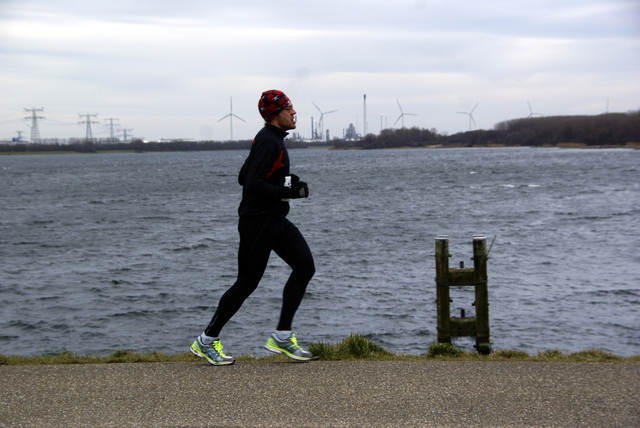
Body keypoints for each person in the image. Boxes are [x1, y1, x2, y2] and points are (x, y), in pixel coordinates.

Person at [190, 90, 315, 365]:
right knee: (246, 283)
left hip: (274, 218)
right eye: (289, 108)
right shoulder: (268, 142)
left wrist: (287, 181)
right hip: (257, 221)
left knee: (305, 267)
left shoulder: (269, 139)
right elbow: (252, 184)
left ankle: (282, 336)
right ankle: (206, 341)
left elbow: (243, 176)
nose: (294, 112)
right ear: (275, 113)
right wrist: (292, 193)